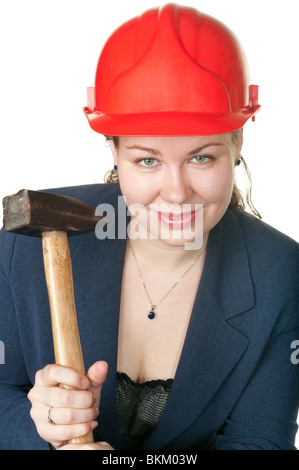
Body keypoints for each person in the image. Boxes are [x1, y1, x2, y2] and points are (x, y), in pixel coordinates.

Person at [0, 3, 298, 451]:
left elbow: (260, 440)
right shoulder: (26, 243)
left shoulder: (282, 274)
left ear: (237, 140)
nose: (176, 192)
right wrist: (38, 428)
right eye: (147, 160)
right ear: (114, 151)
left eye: (202, 157)